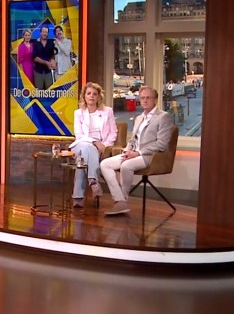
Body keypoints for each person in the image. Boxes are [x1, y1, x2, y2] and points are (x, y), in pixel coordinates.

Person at [99, 86, 175, 216]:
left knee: (126, 165)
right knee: (105, 164)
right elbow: (133, 140)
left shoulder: (163, 117)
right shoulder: (139, 117)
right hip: (133, 153)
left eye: (148, 98)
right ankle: (120, 200)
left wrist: (138, 153)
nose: (145, 100)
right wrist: (126, 151)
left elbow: (162, 144)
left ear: (155, 100)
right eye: (142, 98)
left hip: (150, 156)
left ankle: (122, 200)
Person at [69, 82, 116, 207]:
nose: (91, 96)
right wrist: (95, 142)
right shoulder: (78, 113)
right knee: (87, 147)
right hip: (81, 143)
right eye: (89, 93)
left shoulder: (107, 111)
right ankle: (93, 180)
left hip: (100, 146)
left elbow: (113, 132)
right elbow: (79, 135)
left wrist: (105, 146)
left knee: (82, 160)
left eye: (95, 94)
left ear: (99, 96)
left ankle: (78, 198)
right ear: (84, 96)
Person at [32, 25, 57, 91]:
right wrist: (46, 63)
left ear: (48, 33)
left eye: (46, 32)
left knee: (50, 91)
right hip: (38, 72)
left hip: (48, 72)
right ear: (40, 32)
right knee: (38, 92)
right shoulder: (36, 43)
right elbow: (35, 58)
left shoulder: (51, 43)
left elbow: (52, 55)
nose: (44, 33)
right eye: (43, 32)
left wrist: (52, 61)